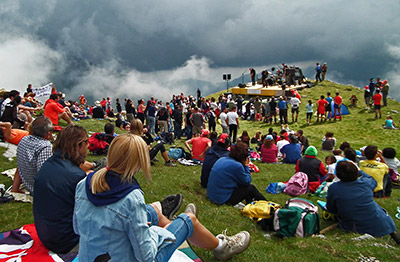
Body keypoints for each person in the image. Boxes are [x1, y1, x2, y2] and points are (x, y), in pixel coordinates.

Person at [73, 133, 251, 261]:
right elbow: (146, 257)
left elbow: (77, 228)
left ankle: (174, 224)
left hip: (92, 256)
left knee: (153, 211)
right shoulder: (132, 197)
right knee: (188, 219)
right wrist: (155, 233)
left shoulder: (85, 183)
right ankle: (221, 247)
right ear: (138, 162)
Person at [34, 124, 95, 253]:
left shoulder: (48, 164)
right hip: (67, 242)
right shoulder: (76, 176)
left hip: (45, 234)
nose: (88, 146)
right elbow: (89, 213)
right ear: (78, 145)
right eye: (86, 142)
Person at [326, 161, 398, 241]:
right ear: (356, 172)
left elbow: (331, 209)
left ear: (338, 174)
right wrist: (360, 171)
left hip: (355, 226)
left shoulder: (334, 188)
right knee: (375, 206)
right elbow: (371, 179)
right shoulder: (366, 183)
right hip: (383, 224)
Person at [15, 117, 53, 195]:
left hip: (27, 181)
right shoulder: (45, 146)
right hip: (38, 189)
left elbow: (19, 164)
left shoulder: (24, 139)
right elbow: (43, 173)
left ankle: (15, 188)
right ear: (48, 133)